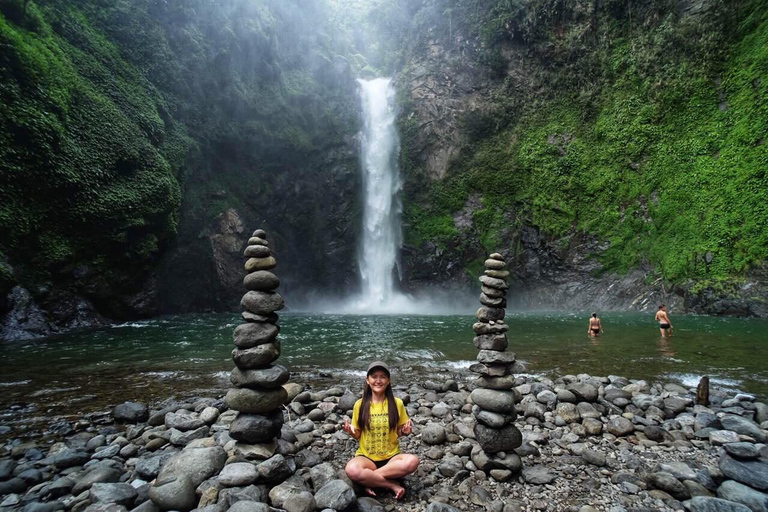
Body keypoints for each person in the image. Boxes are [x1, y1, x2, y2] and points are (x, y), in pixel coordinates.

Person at [343, 361, 419, 499]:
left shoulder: (397, 403)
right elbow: (358, 434)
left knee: (412, 461)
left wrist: (405, 432)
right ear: (367, 380)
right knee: (351, 469)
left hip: (391, 459)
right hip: (367, 458)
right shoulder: (359, 405)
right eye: (374, 377)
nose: (378, 380)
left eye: (383, 377)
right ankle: (391, 484)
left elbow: (398, 432)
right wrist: (351, 431)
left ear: (388, 380)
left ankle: (370, 480)